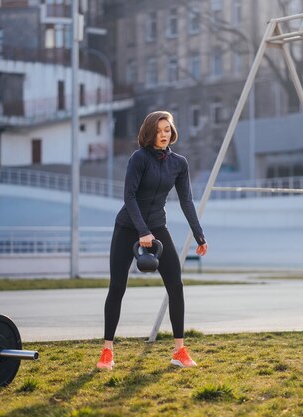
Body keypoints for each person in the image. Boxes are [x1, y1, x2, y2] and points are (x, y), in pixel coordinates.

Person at [96, 110, 208, 370]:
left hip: (157, 227)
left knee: (176, 285)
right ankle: (107, 351)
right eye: (158, 131)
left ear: (172, 132)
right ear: (149, 133)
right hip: (127, 228)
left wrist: (199, 234)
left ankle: (179, 351)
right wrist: (142, 231)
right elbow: (129, 197)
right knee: (117, 287)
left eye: (167, 130)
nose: (163, 135)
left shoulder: (179, 163)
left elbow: (186, 201)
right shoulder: (139, 158)